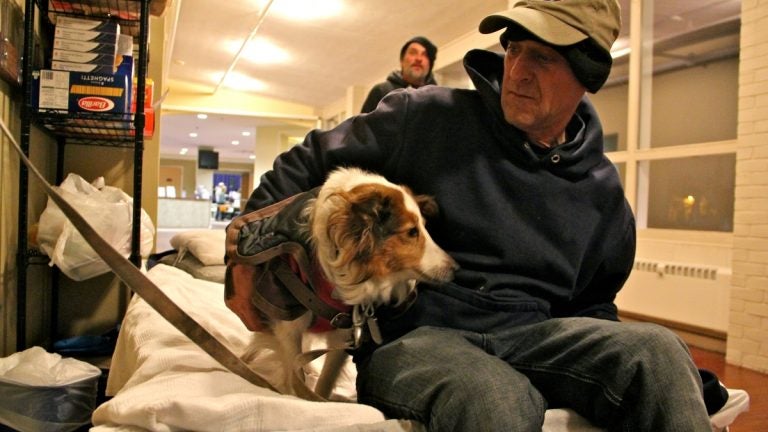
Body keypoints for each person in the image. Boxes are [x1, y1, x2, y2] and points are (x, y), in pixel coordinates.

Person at [228, 1, 716, 430]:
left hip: (537, 336)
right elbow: (309, 159)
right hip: (419, 338)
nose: (518, 70)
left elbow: (593, 305)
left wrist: (663, 383)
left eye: (542, 57)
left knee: (659, 349)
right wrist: (244, 255)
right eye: (515, 49)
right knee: (494, 395)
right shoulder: (422, 116)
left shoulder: (602, 191)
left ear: (587, 73)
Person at [360, 36, 438, 113]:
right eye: (413, 52)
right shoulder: (381, 91)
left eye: (425, 55)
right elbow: (362, 125)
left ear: (430, 65)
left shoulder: (438, 98)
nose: (419, 59)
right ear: (402, 61)